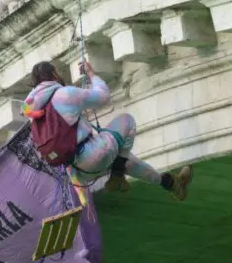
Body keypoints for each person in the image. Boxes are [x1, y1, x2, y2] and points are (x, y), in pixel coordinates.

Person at [23, 60, 193, 199]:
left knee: (125, 160)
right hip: (92, 154)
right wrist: (91, 74)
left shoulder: (32, 113)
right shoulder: (63, 94)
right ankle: (117, 175)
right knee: (126, 121)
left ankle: (172, 184)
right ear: (53, 74)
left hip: (78, 172)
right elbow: (104, 96)